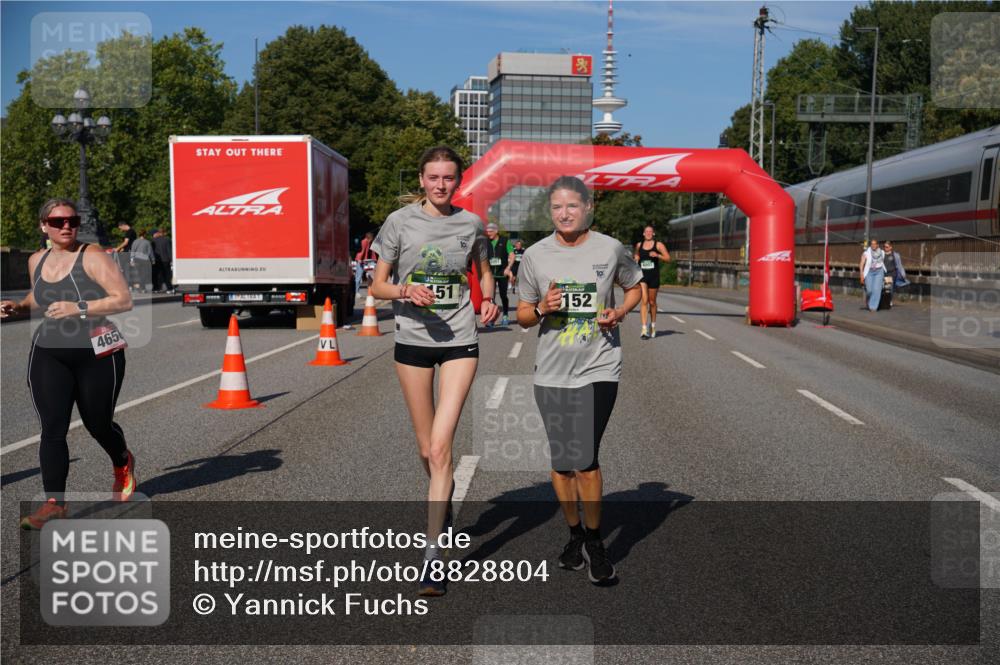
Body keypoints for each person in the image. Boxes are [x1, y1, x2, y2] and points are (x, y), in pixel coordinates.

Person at [369, 146, 500, 596]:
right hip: (412, 342)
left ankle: (431, 558)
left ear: (458, 181)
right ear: (422, 180)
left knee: (442, 448)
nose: (441, 185)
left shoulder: (471, 225)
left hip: (461, 340)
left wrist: (491, 299)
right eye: (433, 178)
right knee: (426, 450)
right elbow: (377, 284)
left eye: (449, 178)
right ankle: (441, 504)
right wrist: (406, 289)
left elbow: (484, 272)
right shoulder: (399, 222)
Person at [515, 176, 642, 585]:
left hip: (599, 366)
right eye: (557, 207)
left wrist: (620, 312)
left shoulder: (609, 248)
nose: (564, 214)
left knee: (584, 456)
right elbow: (521, 314)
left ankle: (595, 541)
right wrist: (541, 309)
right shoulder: (535, 255)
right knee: (561, 462)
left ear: (588, 208)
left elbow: (635, 286)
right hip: (551, 370)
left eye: (572, 206)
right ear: (549, 212)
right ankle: (573, 536)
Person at [1, 198, 137, 530]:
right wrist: (17, 308)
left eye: (72, 221)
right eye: (58, 221)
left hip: (96, 351)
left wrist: (78, 307)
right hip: (50, 351)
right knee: (52, 428)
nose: (67, 226)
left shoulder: (92, 255)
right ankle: (54, 504)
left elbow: (123, 299)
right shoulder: (37, 259)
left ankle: (122, 461)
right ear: (43, 225)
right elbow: (38, 297)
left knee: (97, 423)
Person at [633, 225, 670, 339]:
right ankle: (644, 329)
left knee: (652, 302)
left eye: (650, 231)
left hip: (654, 276)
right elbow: (636, 255)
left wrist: (657, 255)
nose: (648, 233)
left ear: (653, 233)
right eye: (646, 231)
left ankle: (653, 325)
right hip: (642, 276)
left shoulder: (658, 245)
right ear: (643, 233)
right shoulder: (639, 245)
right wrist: (636, 258)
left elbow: (668, 258)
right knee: (644, 300)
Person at [485, 222, 515, 326]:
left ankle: (505, 315)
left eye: (491, 231)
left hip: (502, 273)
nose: (489, 234)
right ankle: (491, 318)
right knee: (490, 297)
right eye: (487, 232)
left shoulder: (505, 241)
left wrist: (508, 268)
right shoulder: (486, 242)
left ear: (496, 231)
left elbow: (512, 255)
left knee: (503, 295)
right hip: (490, 274)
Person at [859, 238, 885, 312]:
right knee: (870, 290)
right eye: (872, 244)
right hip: (869, 272)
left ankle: (873, 307)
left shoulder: (882, 252)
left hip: (879, 271)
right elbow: (861, 263)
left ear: (877, 245)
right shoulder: (866, 253)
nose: (873, 245)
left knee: (877, 290)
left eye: (874, 244)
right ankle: (869, 300)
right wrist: (861, 274)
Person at [882, 240, 909, 304]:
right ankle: (887, 300)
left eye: (887, 247)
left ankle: (889, 300)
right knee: (886, 288)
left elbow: (899, 265)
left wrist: (903, 274)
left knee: (890, 288)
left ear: (891, 247)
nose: (885, 248)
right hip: (884, 273)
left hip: (892, 273)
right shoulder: (882, 254)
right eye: (884, 247)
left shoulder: (895, 255)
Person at [151, 229, 173, 293]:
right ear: (163, 233)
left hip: (157, 260)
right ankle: (169, 288)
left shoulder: (153, 240)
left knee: (157, 274)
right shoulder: (167, 240)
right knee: (166, 274)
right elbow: (169, 251)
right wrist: (171, 260)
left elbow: (152, 251)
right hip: (166, 260)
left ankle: (156, 288)